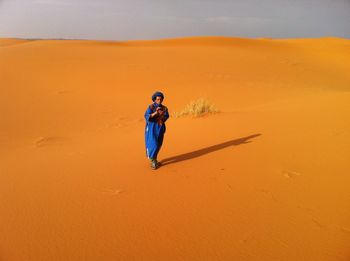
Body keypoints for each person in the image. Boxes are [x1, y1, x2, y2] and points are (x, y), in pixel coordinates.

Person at [144, 91, 169, 170]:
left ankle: (155, 159)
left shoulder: (164, 108)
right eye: (157, 99)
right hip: (151, 128)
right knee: (153, 144)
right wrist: (155, 113)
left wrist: (161, 114)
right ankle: (153, 161)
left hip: (160, 128)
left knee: (158, 144)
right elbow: (146, 115)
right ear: (154, 99)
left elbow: (166, 116)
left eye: (161, 99)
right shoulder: (151, 107)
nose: (159, 101)